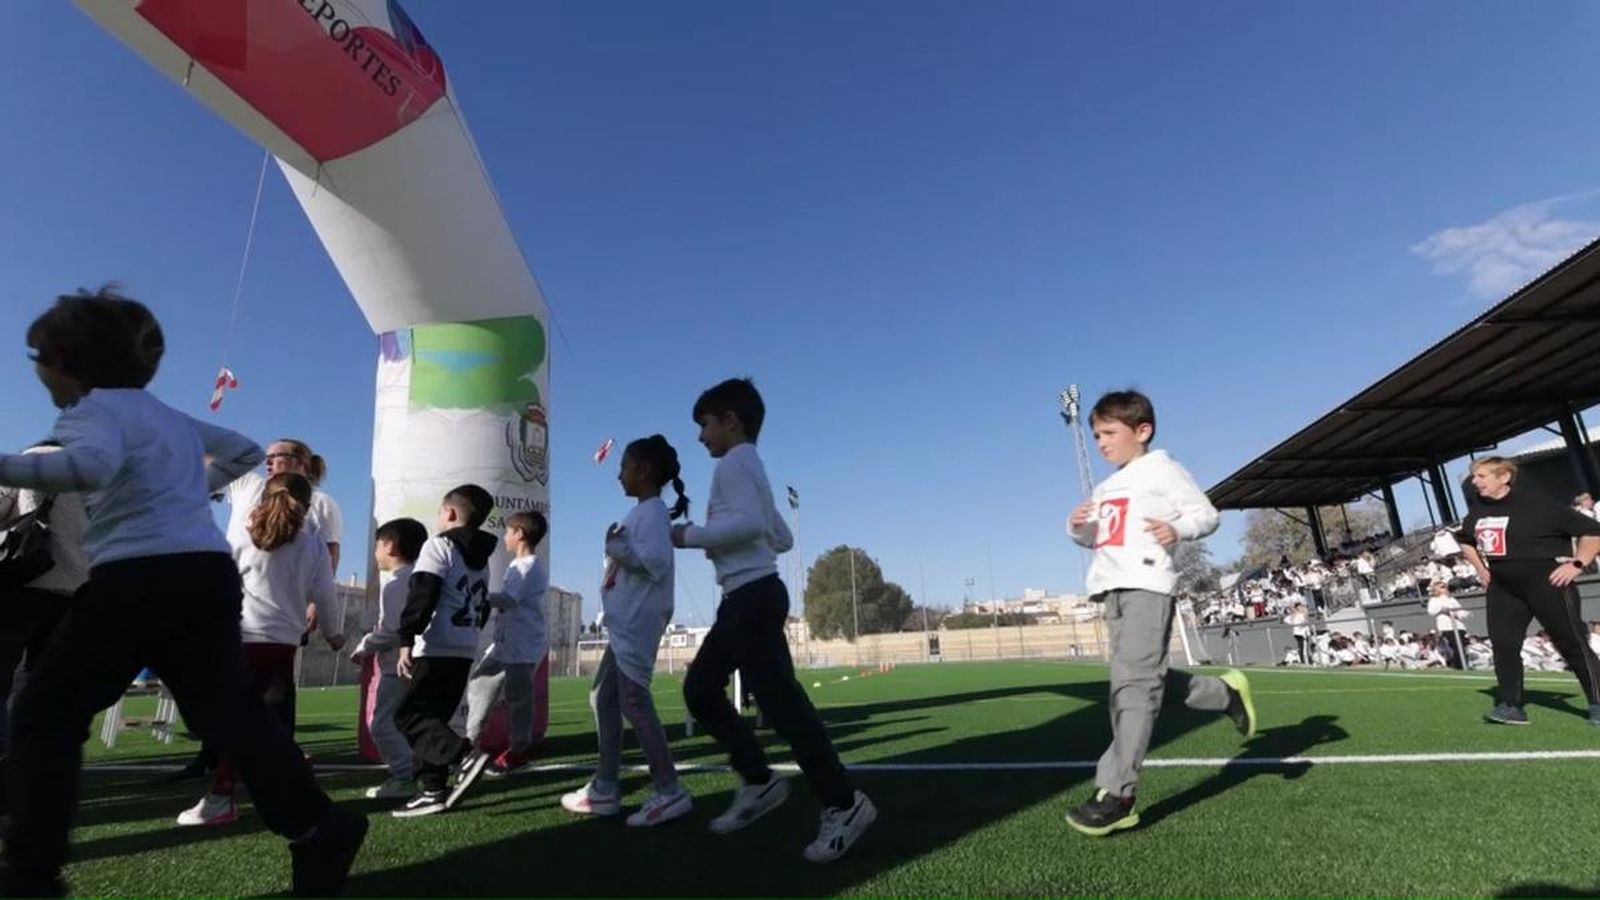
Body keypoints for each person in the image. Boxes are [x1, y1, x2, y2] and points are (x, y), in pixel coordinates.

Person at [0, 288, 364, 896]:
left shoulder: (89, 412)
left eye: (38, 357)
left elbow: (86, 467)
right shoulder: (163, 415)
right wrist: (190, 490)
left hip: (136, 578)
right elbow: (245, 451)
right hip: (203, 576)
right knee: (227, 710)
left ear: (63, 361)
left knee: (44, 711)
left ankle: (31, 873)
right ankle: (317, 825)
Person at [672, 378, 875, 862]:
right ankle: (760, 780)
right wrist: (741, 533)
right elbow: (779, 535)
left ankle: (843, 803)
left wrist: (687, 535)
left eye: (705, 425)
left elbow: (749, 527)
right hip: (748, 595)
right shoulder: (751, 465)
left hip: (752, 597)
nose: (701, 437)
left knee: (782, 706)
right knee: (701, 689)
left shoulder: (734, 464)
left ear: (730, 422)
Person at [1065, 390, 1255, 837]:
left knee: (1132, 687)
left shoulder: (1162, 469)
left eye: (1109, 432)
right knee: (1142, 679)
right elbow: (1099, 537)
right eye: (1095, 435)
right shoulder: (1107, 486)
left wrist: (1178, 528)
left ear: (1142, 431)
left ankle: (1118, 794)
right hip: (1110, 591)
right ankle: (1224, 695)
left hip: (1149, 586)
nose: (1101, 442)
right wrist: (1077, 526)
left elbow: (1206, 515)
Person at [176, 473, 344, 827]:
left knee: (239, 720)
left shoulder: (242, 534)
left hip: (241, 638)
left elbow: (218, 580)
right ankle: (286, 785)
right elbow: (325, 593)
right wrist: (333, 633)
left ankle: (223, 796)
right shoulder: (312, 544)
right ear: (308, 506)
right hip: (282, 644)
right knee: (260, 721)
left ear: (262, 497)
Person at [563, 436, 692, 826]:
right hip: (624, 622)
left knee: (634, 703)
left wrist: (616, 547)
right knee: (603, 698)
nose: (619, 475)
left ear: (644, 471)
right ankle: (604, 787)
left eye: (625, 467)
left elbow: (651, 562)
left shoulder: (652, 512)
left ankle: (669, 791)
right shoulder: (643, 513)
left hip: (637, 622)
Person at [1455, 457, 1600, 726]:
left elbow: (1593, 532)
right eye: (1474, 477)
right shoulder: (1477, 512)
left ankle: (1598, 703)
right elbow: (1464, 539)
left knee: (1572, 642)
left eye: (1482, 476)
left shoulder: (1540, 507)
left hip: (1547, 582)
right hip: (1503, 587)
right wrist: (1480, 569)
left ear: (1504, 478)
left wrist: (1578, 563)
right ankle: (1511, 705)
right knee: (1504, 644)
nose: (1475, 482)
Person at [390, 485, 499, 817]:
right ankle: (432, 789)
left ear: (450, 513)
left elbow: (423, 591)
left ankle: (465, 756)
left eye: (440, 511)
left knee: (409, 715)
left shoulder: (438, 546)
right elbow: (482, 608)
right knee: (434, 719)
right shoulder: (482, 560)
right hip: (463, 647)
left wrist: (406, 637)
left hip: (435, 644)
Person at [461, 510, 550, 784]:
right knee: (479, 684)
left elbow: (510, 600)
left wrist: (477, 596)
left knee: (518, 699)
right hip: (504, 644)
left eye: (509, 532)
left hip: (522, 646)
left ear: (520, 534)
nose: (505, 538)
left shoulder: (530, 566)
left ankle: (519, 751)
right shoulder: (516, 565)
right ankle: (469, 745)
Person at [350, 517, 428, 800]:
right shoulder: (418, 579)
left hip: (398, 666)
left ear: (390, 546)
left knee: (381, 724)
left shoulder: (397, 584)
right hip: (416, 663)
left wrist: (363, 646)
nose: (375, 554)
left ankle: (404, 775)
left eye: (377, 546)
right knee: (410, 723)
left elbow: (394, 630)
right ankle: (418, 772)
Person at [1426, 581, 1470, 670]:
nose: (1445, 588)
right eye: (1442, 587)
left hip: (1458, 626)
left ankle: (1463, 665)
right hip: (1446, 626)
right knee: (1455, 645)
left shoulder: (1451, 599)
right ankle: (1458, 666)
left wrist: (1459, 614)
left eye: (1445, 587)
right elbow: (1431, 611)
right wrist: (1442, 609)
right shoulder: (1434, 600)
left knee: (1462, 646)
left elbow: (1461, 611)